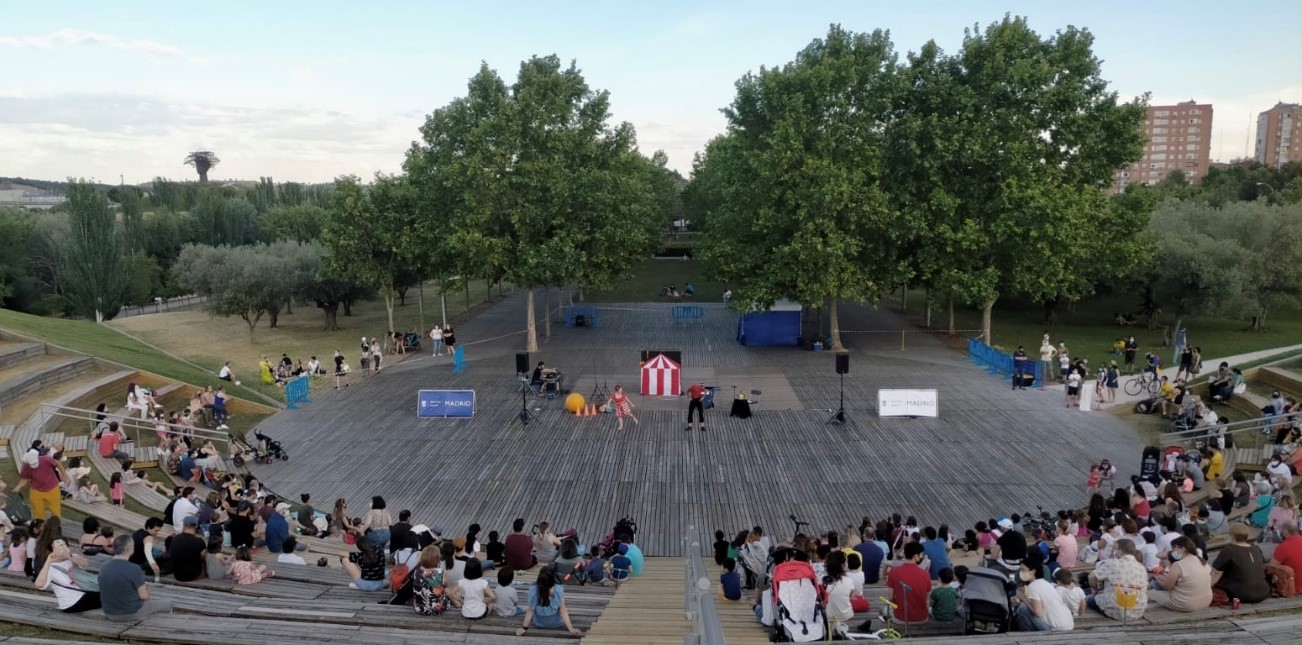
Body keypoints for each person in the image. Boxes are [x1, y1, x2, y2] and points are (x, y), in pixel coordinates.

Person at [100, 534, 173, 621]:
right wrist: (148, 594)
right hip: (132, 613)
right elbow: (144, 596)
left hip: (109, 613)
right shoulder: (134, 568)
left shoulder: (103, 567)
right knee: (168, 603)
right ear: (129, 548)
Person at [36, 538, 102, 612]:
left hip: (87, 592)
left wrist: (68, 556)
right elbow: (39, 585)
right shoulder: (50, 568)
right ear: (52, 551)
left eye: (63, 545)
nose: (61, 549)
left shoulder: (72, 558)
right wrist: (48, 561)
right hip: (72, 602)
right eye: (57, 547)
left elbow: (84, 563)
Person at [1087, 539, 1147, 621]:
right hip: (1137, 610)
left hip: (1116, 609)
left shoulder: (1112, 563)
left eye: (1115, 549)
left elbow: (1091, 577)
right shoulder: (1141, 567)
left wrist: (1095, 590)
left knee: (1087, 598)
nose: (1114, 551)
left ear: (1121, 551)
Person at [1210, 524, 1271, 604]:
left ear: (1232, 536)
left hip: (1241, 593)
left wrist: (1207, 588)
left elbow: (1217, 573)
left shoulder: (1229, 550)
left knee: (1220, 578)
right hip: (1263, 591)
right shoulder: (1256, 548)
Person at [516, 566, 584, 636]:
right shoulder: (558, 590)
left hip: (539, 623)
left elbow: (530, 611)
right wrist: (571, 629)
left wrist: (524, 628)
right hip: (556, 623)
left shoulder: (533, 591)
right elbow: (563, 611)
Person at [1149, 536, 1212, 611]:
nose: (1173, 553)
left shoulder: (1178, 565)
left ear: (1183, 548)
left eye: (1174, 549)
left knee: (1149, 593)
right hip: (1206, 601)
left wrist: (1158, 578)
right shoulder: (1202, 561)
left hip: (1186, 604)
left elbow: (1167, 586)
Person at [1015, 553, 1073, 632]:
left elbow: (1038, 613)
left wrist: (1024, 598)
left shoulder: (1033, 586)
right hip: (1069, 624)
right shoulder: (1045, 583)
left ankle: (1029, 633)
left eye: (1023, 570)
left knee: (1022, 608)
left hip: (1056, 629)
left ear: (1033, 571)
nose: (1020, 572)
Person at [17, 442, 65, 519]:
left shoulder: (45, 459)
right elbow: (25, 478)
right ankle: (39, 527)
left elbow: (58, 464)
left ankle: (55, 526)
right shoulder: (25, 467)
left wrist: (66, 477)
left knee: (55, 512)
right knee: (38, 513)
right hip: (36, 490)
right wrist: (18, 487)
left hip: (52, 488)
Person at [886, 542, 930, 623]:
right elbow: (926, 599)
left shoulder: (894, 572)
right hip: (922, 618)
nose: (922, 557)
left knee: (885, 609)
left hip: (900, 618)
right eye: (921, 555)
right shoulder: (926, 574)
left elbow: (890, 598)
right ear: (915, 556)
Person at [169, 515, 207, 582]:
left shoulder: (175, 538)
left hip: (177, 574)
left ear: (183, 525)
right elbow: (204, 556)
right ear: (196, 525)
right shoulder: (199, 541)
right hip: (192, 575)